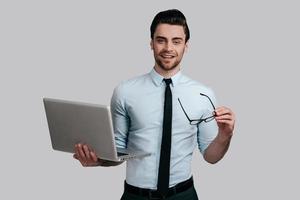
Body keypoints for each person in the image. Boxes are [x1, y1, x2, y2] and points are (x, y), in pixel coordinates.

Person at [73, 9, 235, 200]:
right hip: (136, 196)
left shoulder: (203, 95)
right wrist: (97, 160)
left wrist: (225, 136)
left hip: (183, 195)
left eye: (176, 41)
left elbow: (211, 156)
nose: (168, 48)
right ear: (151, 43)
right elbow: (118, 151)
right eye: (161, 40)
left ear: (186, 45)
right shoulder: (125, 91)